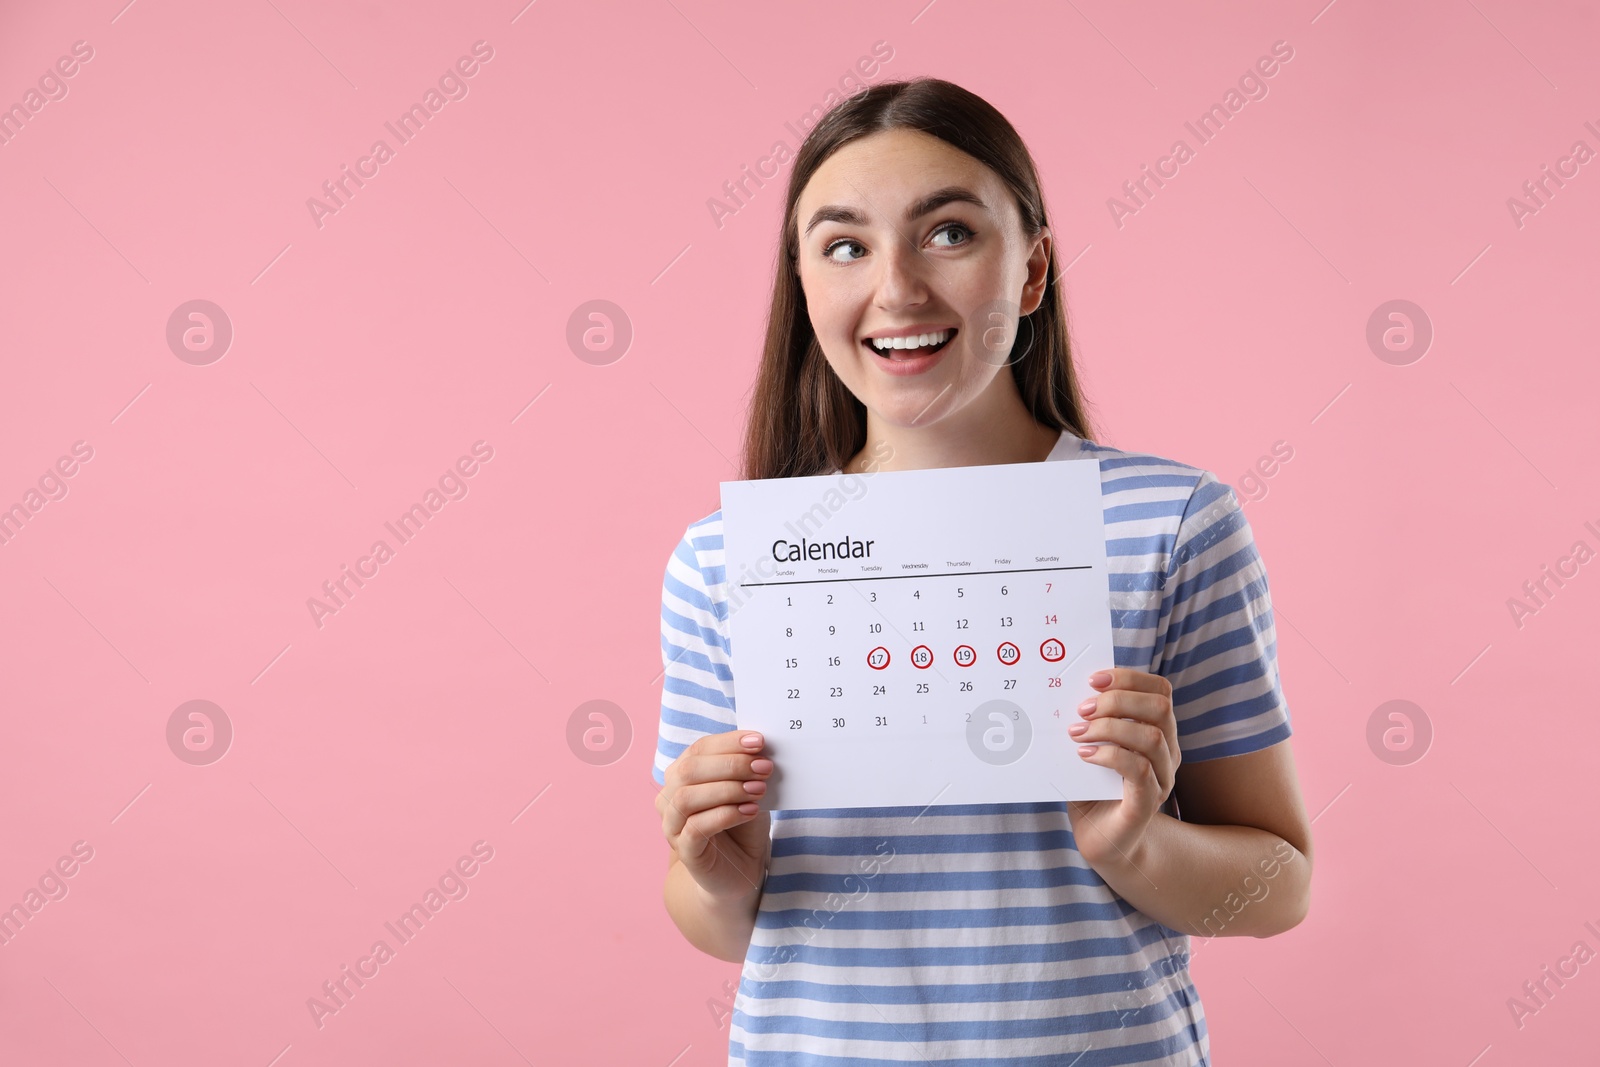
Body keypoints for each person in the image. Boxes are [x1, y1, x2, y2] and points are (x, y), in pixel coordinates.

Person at [652, 76, 1313, 1066]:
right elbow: (721, 921)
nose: (898, 290)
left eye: (948, 233)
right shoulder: (724, 561)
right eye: (844, 245)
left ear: (1033, 268)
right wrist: (713, 867)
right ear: (803, 284)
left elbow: (1278, 885)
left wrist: (1133, 844)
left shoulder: (1171, 524)